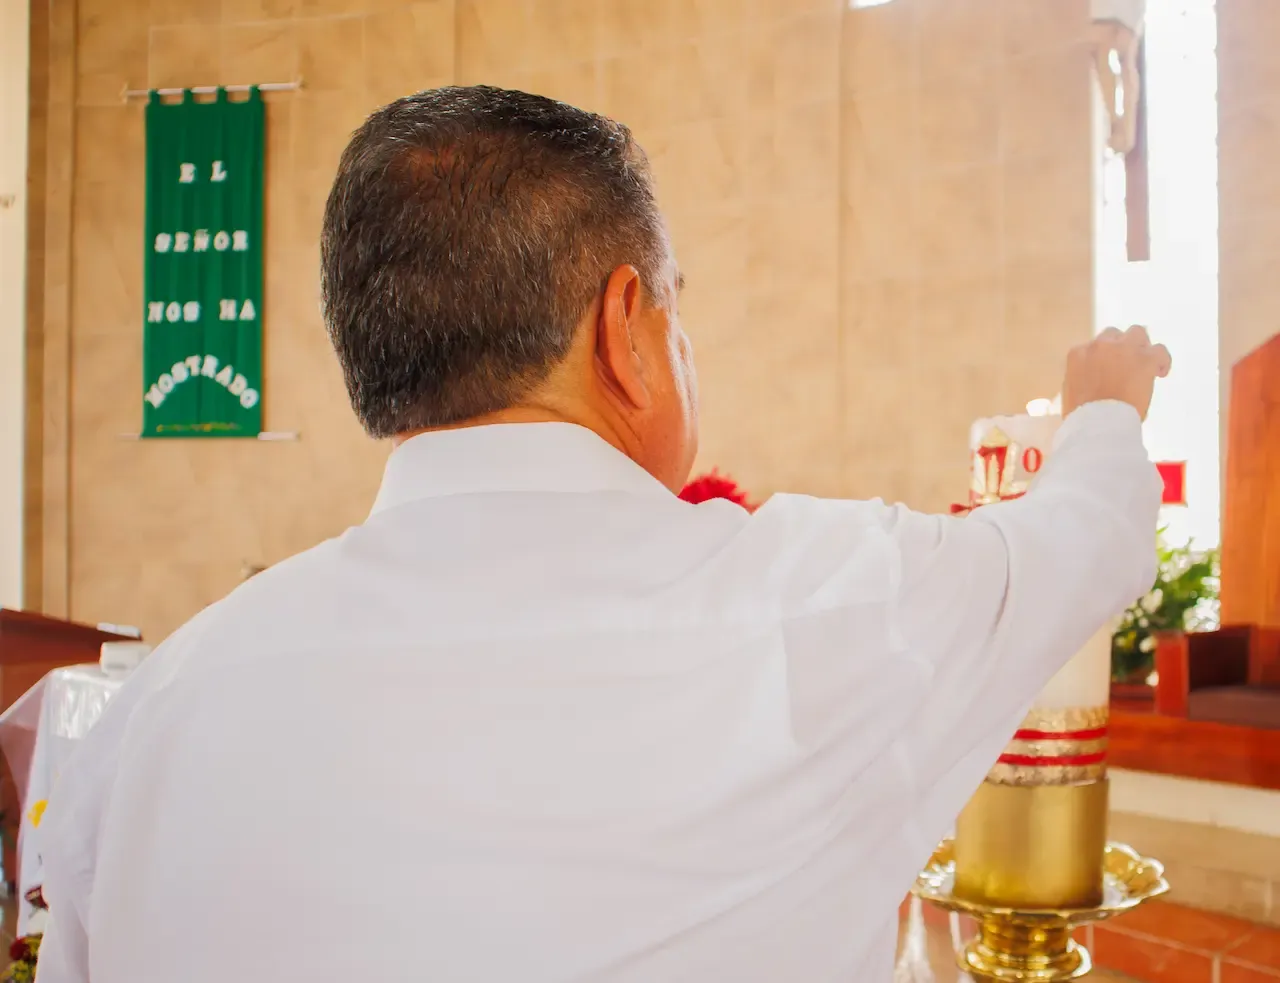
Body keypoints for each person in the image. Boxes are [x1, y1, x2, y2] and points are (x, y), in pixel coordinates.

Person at [36, 86, 1170, 982]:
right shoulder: (823, 603)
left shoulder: (149, 721)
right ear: (625, 328)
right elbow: (1084, 537)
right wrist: (1105, 400)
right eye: (677, 305)